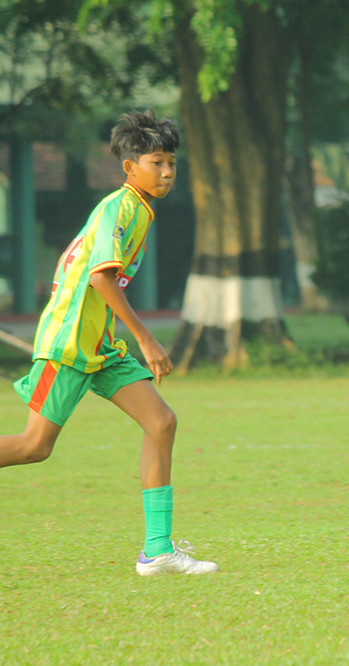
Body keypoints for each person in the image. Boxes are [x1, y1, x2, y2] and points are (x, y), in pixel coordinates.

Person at [0, 110, 218, 576]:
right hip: (69, 343)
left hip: (99, 346)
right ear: (130, 167)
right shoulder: (120, 207)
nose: (166, 172)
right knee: (34, 446)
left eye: (171, 163)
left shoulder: (139, 208)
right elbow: (101, 277)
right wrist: (147, 339)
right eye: (157, 162)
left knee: (161, 421)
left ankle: (157, 551)